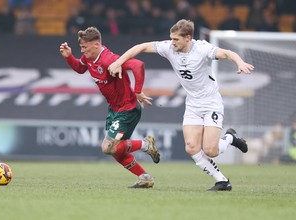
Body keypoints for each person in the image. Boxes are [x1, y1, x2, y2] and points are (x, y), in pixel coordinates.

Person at [108, 19, 254, 191]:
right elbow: (141, 47)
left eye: (176, 39)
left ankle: (230, 138)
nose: (172, 42)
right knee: (192, 148)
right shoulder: (169, 47)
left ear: (188, 38)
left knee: (210, 150)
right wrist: (118, 62)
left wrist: (240, 62)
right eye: (171, 38)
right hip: (192, 104)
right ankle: (222, 181)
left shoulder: (202, 48)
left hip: (211, 103)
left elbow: (227, 53)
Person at [59, 26, 160, 188]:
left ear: (96, 45)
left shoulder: (108, 59)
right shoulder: (90, 58)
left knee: (107, 147)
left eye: (85, 47)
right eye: (81, 47)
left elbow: (138, 65)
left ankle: (145, 145)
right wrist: (69, 57)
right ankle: (144, 177)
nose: (82, 51)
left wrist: (138, 90)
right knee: (116, 150)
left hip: (128, 109)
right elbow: (80, 68)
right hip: (115, 109)